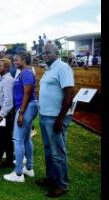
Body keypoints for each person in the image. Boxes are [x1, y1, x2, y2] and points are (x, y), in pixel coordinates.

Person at [35, 43, 75, 198]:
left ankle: (61, 185)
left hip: (55, 117)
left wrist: (60, 118)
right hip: (45, 115)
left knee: (57, 152)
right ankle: (51, 178)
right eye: (43, 53)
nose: (44, 55)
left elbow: (69, 93)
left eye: (48, 53)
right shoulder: (49, 69)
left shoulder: (63, 68)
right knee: (48, 150)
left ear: (57, 53)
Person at [3, 51, 38, 182]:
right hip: (26, 107)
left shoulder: (27, 72)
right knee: (27, 139)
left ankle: (18, 174)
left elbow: (27, 94)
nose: (14, 62)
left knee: (18, 140)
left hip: (26, 108)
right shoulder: (23, 72)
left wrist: (21, 113)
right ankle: (29, 168)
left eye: (16, 60)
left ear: (24, 59)